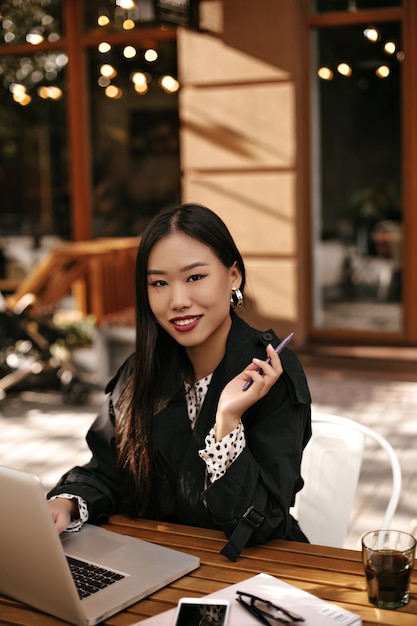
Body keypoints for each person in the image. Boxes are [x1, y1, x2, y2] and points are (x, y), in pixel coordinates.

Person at [47, 202, 312, 560]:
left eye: (194, 277)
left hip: (255, 573)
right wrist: (67, 503)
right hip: (158, 565)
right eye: (159, 283)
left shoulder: (271, 373)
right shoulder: (140, 371)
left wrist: (226, 423)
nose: (178, 301)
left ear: (233, 277)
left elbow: (263, 524)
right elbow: (108, 471)